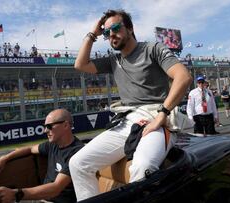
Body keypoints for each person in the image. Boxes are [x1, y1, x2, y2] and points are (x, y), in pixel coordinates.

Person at [69, 9, 192, 201]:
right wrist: (93, 33)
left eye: (116, 28)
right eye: (107, 32)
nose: (111, 35)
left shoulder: (153, 48)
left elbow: (183, 77)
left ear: (130, 28)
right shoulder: (113, 60)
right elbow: (80, 64)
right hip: (127, 120)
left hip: (157, 116)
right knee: (77, 163)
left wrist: (162, 114)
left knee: (142, 167)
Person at [0, 109, 84, 203]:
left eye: (49, 126)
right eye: (45, 126)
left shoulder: (77, 152)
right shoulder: (52, 145)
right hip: (42, 198)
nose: (45, 130)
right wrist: (4, 158)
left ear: (66, 125)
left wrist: (16, 194)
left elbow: (55, 188)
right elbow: (30, 149)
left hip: (55, 200)